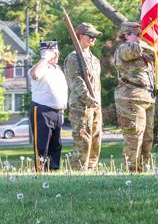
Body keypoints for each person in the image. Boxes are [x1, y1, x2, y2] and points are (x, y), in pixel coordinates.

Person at [113, 21, 157, 172]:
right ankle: (131, 171)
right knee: (134, 136)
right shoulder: (124, 48)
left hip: (147, 97)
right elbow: (135, 49)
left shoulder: (142, 51)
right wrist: (152, 44)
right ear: (126, 35)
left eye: (141, 34)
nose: (140, 38)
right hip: (131, 97)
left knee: (147, 137)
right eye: (137, 35)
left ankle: (143, 169)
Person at [64, 23, 103, 171]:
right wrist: (89, 99)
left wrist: (97, 102)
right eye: (90, 36)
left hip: (95, 105)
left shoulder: (95, 59)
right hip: (81, 106)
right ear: (80, 36)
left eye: (95, 37)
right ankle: (78, 173)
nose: (93, 39)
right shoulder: (73, 58)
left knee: (96, 140)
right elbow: (76, 82)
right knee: (83, 140)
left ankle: (91, 170)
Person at [29, 41, 68, 172]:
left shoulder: (58, 70)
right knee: (42, 145)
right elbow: (35, 74)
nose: (56, 56)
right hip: (42, 110)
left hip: (57, 112)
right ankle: (41, 172)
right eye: (53, 53)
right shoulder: (38, 67)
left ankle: (53, 171)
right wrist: (45, 58)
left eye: (57, 52)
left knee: (56, 145)